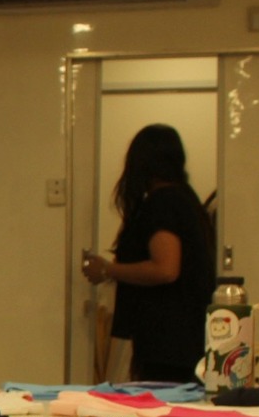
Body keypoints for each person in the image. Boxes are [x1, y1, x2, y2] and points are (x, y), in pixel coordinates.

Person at [82, 123, 217, 382]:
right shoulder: (187, 200)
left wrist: (107, 270)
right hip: (187, 339)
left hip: (167, 343)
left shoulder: (163, 203)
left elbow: (165, 269)